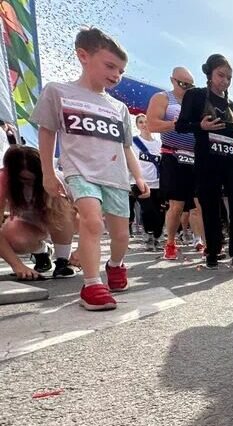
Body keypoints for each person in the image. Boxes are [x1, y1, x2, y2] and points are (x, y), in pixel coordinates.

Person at [31, 28, 149, 310]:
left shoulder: (119, 108)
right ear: (83, 56)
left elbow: (126, 147)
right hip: (79, 172)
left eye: (120, 70)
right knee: (92, 222)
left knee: (121, 236)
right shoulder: (58, 92)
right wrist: (48, 172)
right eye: (110, 66)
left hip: (116, 177)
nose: (116, 75)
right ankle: (92, 284)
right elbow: (47, 132)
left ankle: (115, 265)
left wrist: (139, 175)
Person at [175, 53, 233, 271]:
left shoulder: (232, 106)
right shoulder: (195, 96)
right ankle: (213, 250)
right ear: (209, 74)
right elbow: (181, 126)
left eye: (228, 78)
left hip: (231, 157)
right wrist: (201, 126)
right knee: (210, 205)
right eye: (220, 75)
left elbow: (232, 135)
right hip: (207, 157)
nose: (224, 81)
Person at [146, 66, 205, 260]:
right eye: (183, 84)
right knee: (177, 205)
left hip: (195, 157)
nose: (187, 88)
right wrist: (177, 123)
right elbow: (152, 124)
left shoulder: (196, 101)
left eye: (191, 85)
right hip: (173, 154)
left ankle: (201, 241)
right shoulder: (163, 98)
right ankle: (170, 242)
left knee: (199, 205)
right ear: (173, 80)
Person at [0, 146, 75, 280]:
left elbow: (89, 214)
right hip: (30, 224)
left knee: (61, 206)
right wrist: (18, 265)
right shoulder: (3, 182)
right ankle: (42, 252)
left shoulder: (59, 178)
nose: (30, 183)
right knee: (11, 235)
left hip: (65, 222)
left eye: (35, 179)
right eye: (24, 180)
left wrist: (82, 251)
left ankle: (63, 261)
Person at [130, 113, 163, 251]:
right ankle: (148, 235)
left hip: (158, 183)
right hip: (140, 182)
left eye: (146, 121)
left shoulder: (159, 144)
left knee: (159, 212)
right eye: (141, 122)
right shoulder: (133, 142)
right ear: (137, 125)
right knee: (147, 210)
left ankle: (157, 236)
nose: (144, 124)